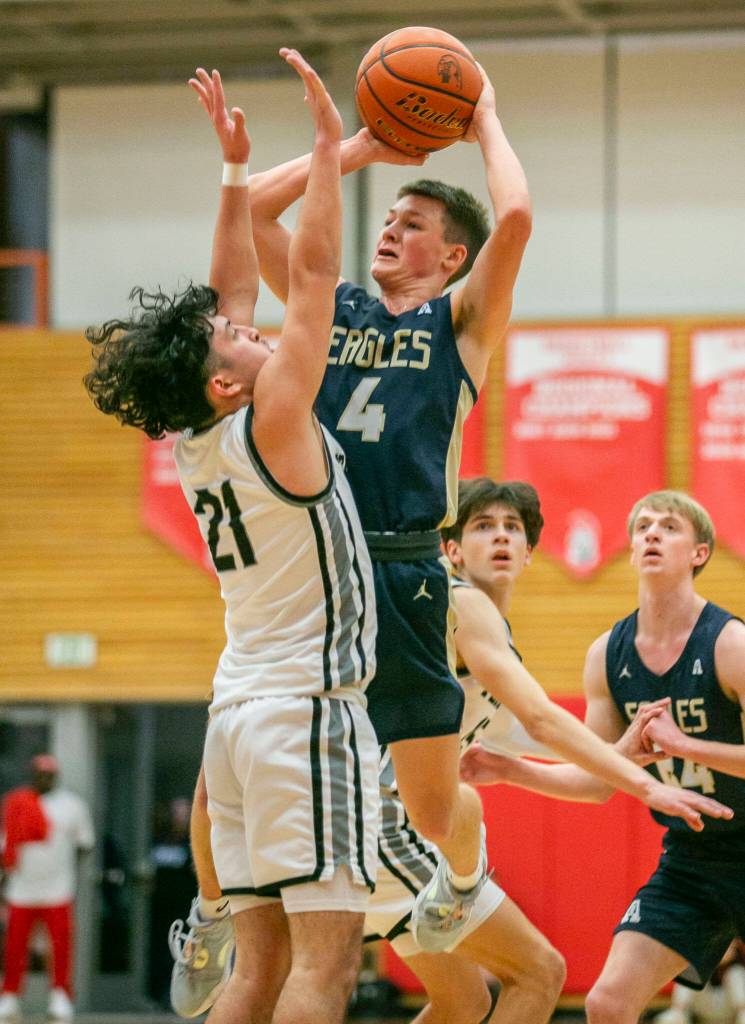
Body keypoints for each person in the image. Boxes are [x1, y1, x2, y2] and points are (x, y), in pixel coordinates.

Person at [192, 57, 531, 955]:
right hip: (314, 557)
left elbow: (520, 218)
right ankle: (212, 914)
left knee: (429, 796)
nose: (388, 230)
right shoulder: (325, 304)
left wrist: (484, 117)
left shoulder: (459, 326)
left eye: (411, 224)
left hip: (407, 563)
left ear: (452, 257)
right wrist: (352, 149)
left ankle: (460, 882)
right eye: (386, 217)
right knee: (227, 745)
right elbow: (255, 209)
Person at [174, 479, 732, 1023]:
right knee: (536, 970)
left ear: (531, 551)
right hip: (376, 817)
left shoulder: (494, 650)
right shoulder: (451, 601)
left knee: (458, 1001)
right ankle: (457, 886)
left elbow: (584, 776)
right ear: (451, 549)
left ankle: (214, 910)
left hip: (333, 803)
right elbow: (542, 719)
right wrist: (647, 782)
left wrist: (614, 758)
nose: (502, 538)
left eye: (513, 528)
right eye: (484, 526)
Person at [84, 51, 380, 1024]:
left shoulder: (202, 440)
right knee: (324, 969)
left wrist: (233, 173)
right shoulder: (276, 418)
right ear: (229, 382)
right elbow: (317, 275)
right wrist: (333, 151)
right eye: (240, 342)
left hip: (237, 718)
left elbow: (228, 288)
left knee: (254, 968)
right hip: (305, 711)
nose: (250, 332)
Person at [460, 490, 745, 1024]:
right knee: (607, 1003)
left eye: (668, 527)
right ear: (632, 551)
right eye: (643, 528)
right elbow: (599, 780)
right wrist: (509, 769)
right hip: (695, 858)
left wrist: (685, 746)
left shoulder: (731, 644)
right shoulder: (606, 654)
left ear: (700, 553)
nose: (652, 534)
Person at [0, 754, 94, 1023]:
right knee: (15, 948)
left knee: (61, 946)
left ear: (56, 776)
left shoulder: (71, 805)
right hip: (21, 889)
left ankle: (60, 998)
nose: (44, 778)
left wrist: (66, 871)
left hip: (58, 889)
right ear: (32, 774)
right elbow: (6, 847)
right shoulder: (17, 803)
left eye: (49, 774)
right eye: (39, 773)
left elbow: (84, 844)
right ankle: (9, 998)